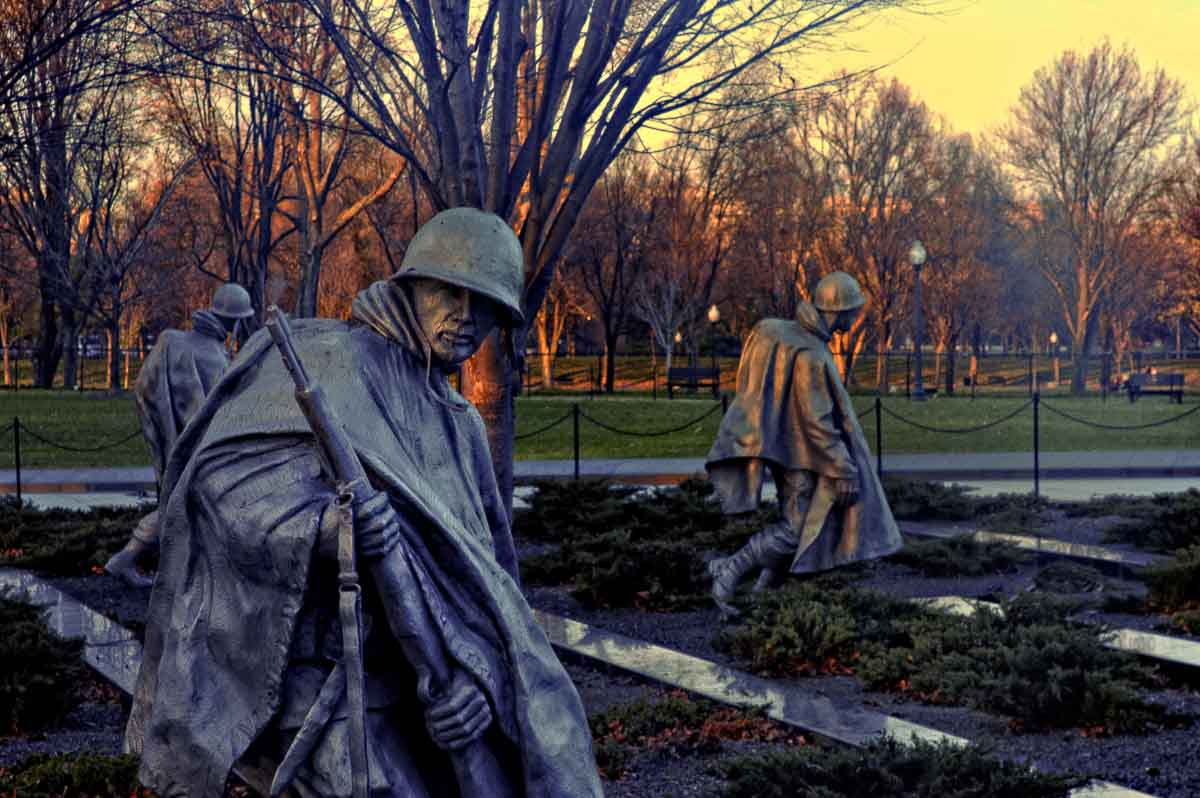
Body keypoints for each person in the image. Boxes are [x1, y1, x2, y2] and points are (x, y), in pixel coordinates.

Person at [126, 208, 602, 798]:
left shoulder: (461, 425)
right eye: (448, 292)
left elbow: (490, 584)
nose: (464, 317)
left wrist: (479, 686)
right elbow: (220, 493)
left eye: (484, 306)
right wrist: (327, 527)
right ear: (411, 286)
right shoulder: (325, 360)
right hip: (320, 687)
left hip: (421, 696)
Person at [704, 271, 902, 616]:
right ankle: (730, 570)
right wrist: (843, 468)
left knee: (800, 523)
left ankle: (765, 594)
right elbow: (818, 422)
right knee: (796, 531)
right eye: (853, 310)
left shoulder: (796, 337)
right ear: (838, 311)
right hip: (805, 459)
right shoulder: (811, 354)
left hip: (793, 452)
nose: (856, 317)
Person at [103, 283, 254, 587]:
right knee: (186, 508)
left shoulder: (171, 341)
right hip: (201, 450)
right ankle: (127, 560)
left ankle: (147, 564)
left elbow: (146, 390)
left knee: (181, 506)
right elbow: (219, 413)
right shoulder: (214, 359)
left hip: (176, 444)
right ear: (233, 320)